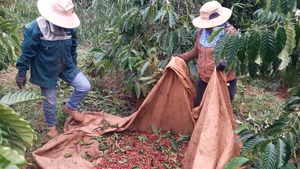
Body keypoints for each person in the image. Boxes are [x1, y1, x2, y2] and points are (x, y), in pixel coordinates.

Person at [15, 0, 91, 138]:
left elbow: (73, 47)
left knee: (84, 86)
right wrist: (22, 72)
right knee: (50, 101)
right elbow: (27, 53)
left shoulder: (70, 28)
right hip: (46, 70)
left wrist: (73, 64)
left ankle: (70, 107)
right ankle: (51, 127)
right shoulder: (35, 29)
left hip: (66, 66)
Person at [175, 1, 237, 107]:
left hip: (223, 80)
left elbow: (234, 57)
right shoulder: (202, 33)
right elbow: (195, 51)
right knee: (200, 106)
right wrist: (181, 57)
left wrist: (224, 64)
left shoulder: (230, 34)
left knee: (220, 109)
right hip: (204, 79)